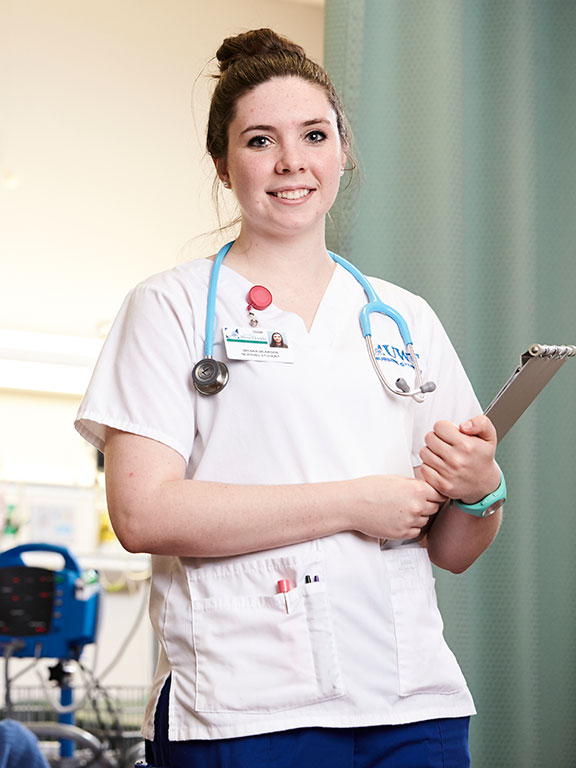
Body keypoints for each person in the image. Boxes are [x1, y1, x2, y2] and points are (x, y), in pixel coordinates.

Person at [75, 28, 504, 768]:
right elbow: (143, 514)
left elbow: (454, 551)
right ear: (223, 163)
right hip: (241, 705)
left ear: (343, 149)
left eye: (314, 134)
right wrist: (351, 502)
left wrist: (481, 490)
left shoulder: (404, 319)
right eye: (259, 140)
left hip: (410, 702)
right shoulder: (170, 309)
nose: (291, 162)